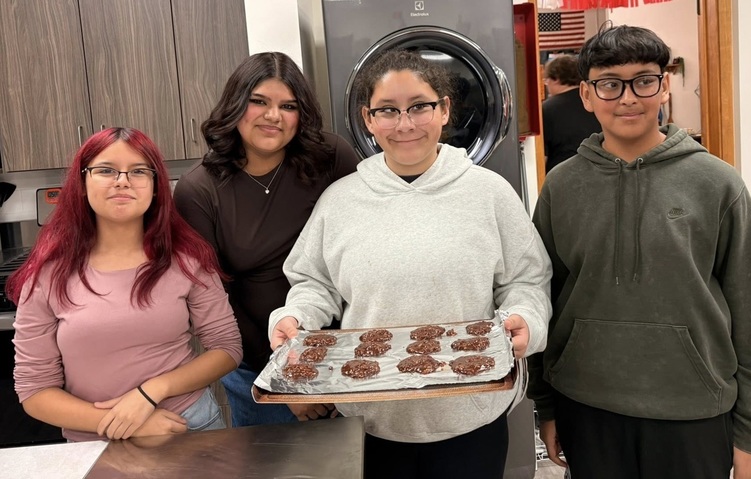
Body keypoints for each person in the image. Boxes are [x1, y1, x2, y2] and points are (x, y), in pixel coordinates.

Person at [268, 49, 553, 479]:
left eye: (419, 106)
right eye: (388, 111)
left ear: (444, 110)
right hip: (371, 421)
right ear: (368, 119)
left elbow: (527, 279)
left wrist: (526, 318)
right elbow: (314, 283)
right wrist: (295, 316)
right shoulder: (341, 201)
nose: (404, 124)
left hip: (470, 417)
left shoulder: (488, 193)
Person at [527, 25, 751, 479]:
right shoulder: (563, 186)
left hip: (693, 409)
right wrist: (545, 407)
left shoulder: (717, 183)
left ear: (664, 86)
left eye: (643, 80)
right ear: (587, 95)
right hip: (587, 405)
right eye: (610, 84)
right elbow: (543, 296)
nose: (628, 97)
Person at [10, 127, 243, 442]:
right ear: (81, 183)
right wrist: (123, 421)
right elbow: (34, 390)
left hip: (187, 426)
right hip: (93, 441)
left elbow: (227, 349)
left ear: (156, 186)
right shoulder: (47, 275)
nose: (122, 180)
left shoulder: (188, 260)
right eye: (106, 170)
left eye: (138, 171)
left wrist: (151, 392)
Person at [173, 52, 360, 427]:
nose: (273, 116)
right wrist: (284, 383)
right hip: (255, 365)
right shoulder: (199, 190)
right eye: (259, 101)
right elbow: (216, 302)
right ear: (235, 104)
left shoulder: (331, 157)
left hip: (343, 352)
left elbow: (362, 246)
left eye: (287, 106)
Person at [541, 55, 602, 173]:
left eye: (547, 81)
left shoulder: (547, 109)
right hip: (602, 171)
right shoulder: (597, 101)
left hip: (563, 176)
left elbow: (542, 155)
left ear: (556, 79)